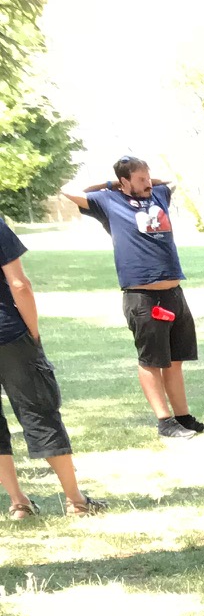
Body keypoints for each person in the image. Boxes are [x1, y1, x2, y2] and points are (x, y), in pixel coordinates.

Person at [64, 157, 204, 440]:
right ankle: (165, 422)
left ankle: (183, 417)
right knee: (151, 361)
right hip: (143, 297)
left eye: (148, 177)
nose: (147, 183)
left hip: (174, 292)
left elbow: (173, 179)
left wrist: (146, 181)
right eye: (140, 179)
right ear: (124, 181)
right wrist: (112, 185)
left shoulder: (158, 194)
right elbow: (68, 190)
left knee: (176, 360)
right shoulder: (108, 202)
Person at [0, 214, 103, 520]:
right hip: (9, 335)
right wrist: (33, 334)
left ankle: (18, 502)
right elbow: (20, 284)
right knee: (40, 412)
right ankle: (76, 501)